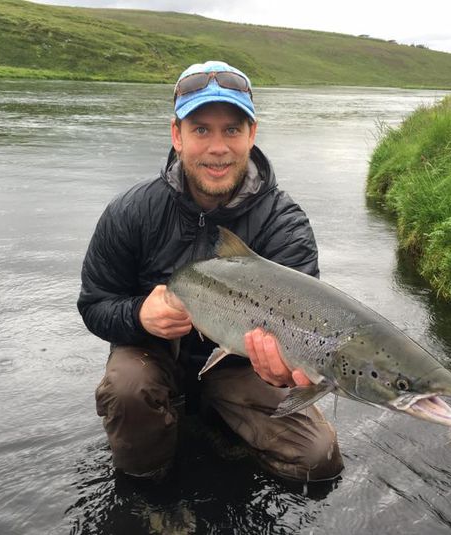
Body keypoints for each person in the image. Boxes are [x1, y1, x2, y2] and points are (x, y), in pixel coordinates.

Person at [77, 60, 343, 483]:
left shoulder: (285, 224)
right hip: (153, 354)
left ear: (251, 135)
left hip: (238, 368)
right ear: (176, 136)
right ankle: (148, 487)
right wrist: (137, 317)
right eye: (201, 129)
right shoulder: (130, 212)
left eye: (231, 130)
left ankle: (219, 416)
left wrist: (284, 369)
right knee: (127, 387)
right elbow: (94, 305)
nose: (217, 147)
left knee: (317, 460)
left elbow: (309, 331)